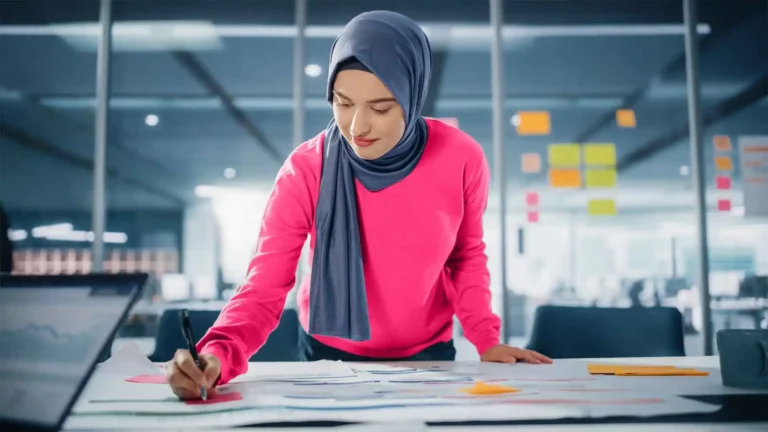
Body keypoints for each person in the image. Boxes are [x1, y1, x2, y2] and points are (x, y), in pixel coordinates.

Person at [166, 10, 551, 400]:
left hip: (430, 355)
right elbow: (264, 285)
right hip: (326, 356)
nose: (356, 127)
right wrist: (218, 353)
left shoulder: (461, 157)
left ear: (413, 95)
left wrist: (486, 339)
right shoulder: (306, 168)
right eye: (343, 103)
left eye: (381, 108)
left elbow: (465, 256)